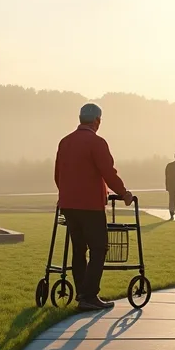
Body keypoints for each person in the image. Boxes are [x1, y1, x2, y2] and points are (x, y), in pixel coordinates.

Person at [55, 103, 134, 311]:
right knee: (99, 248)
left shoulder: (65, 142)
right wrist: (124, 193)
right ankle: (89, 296)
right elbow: (108, 172)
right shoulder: (97, 142)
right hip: (90, 205)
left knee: (79, 249)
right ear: (97, 121)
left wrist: (65, 195)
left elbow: (58, 174)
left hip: (69, 205)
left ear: (80, 118)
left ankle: (82, 293)